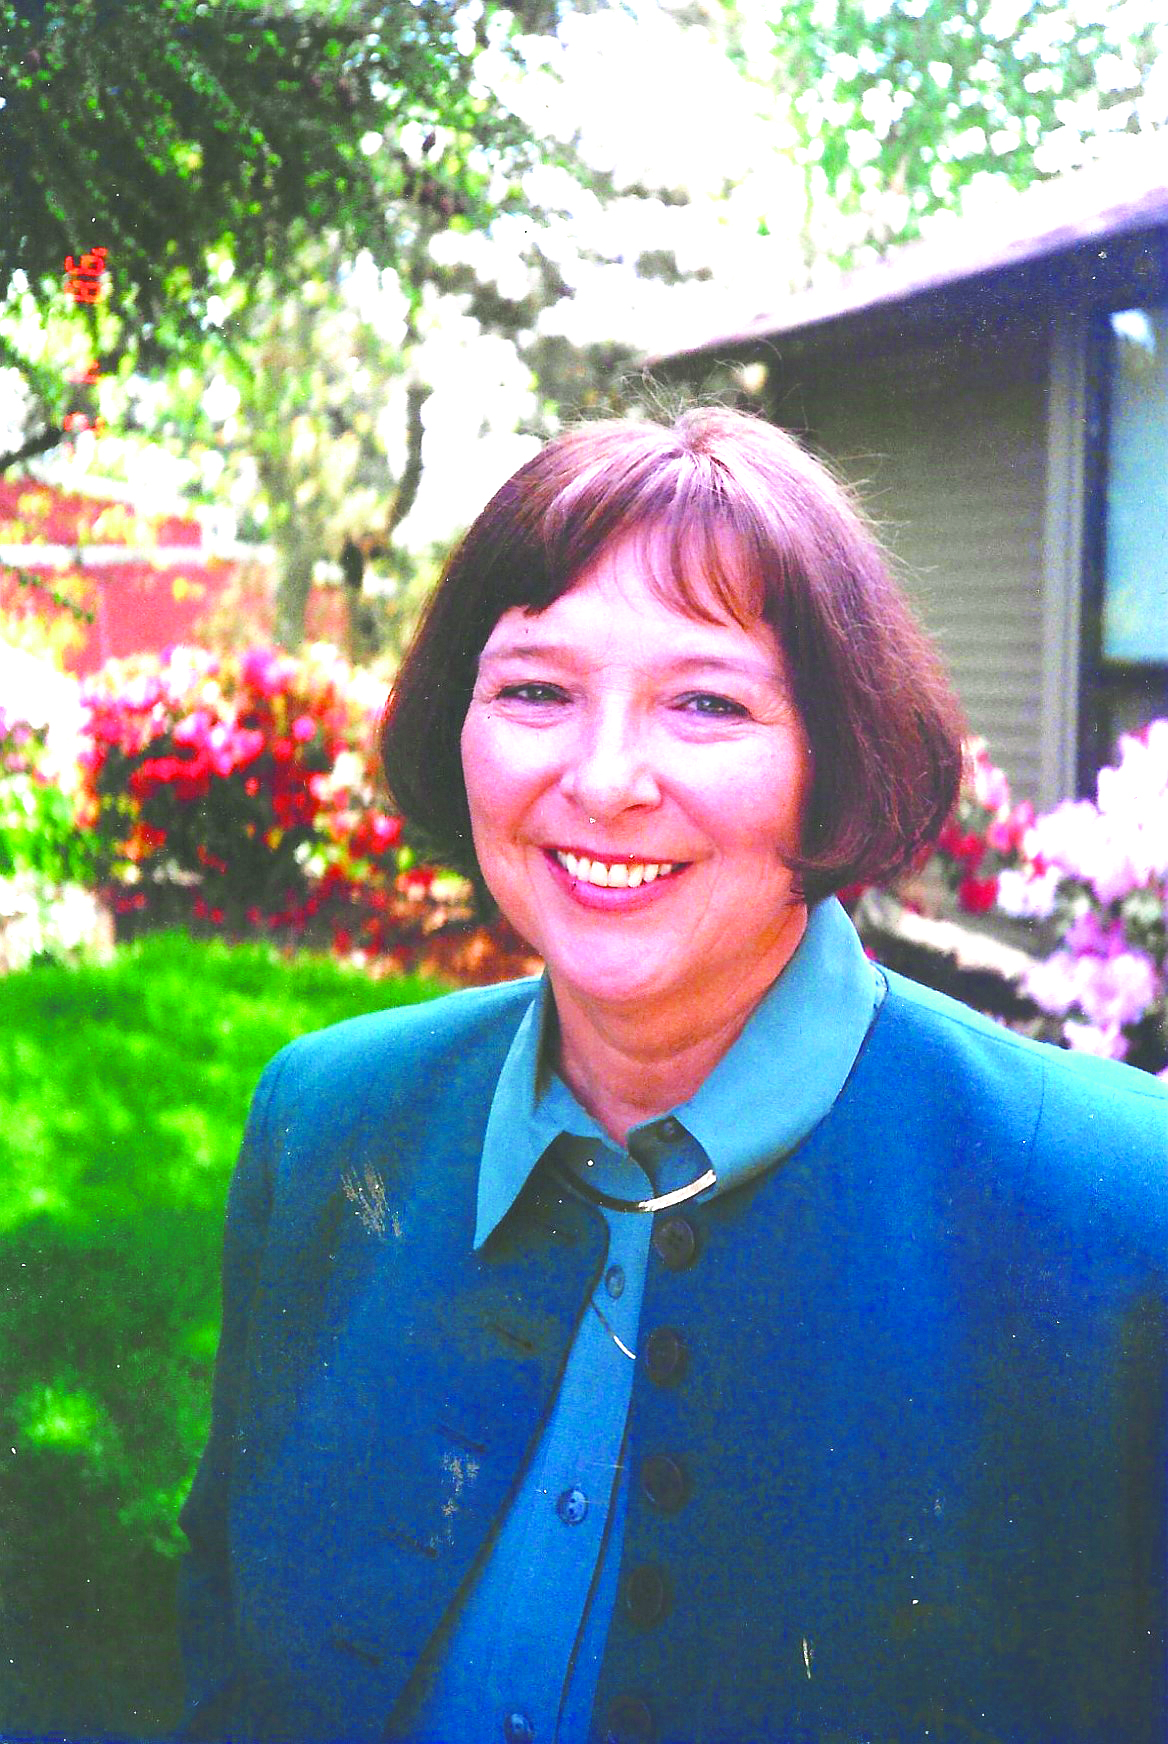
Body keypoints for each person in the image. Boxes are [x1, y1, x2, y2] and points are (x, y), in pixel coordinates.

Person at [177, 408, 1167, 1744]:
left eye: (705, 702)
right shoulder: (327, 1119)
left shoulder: (1122, 1208)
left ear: (838, 749)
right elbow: (225, 1655)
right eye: (536, 690)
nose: (602, 780)